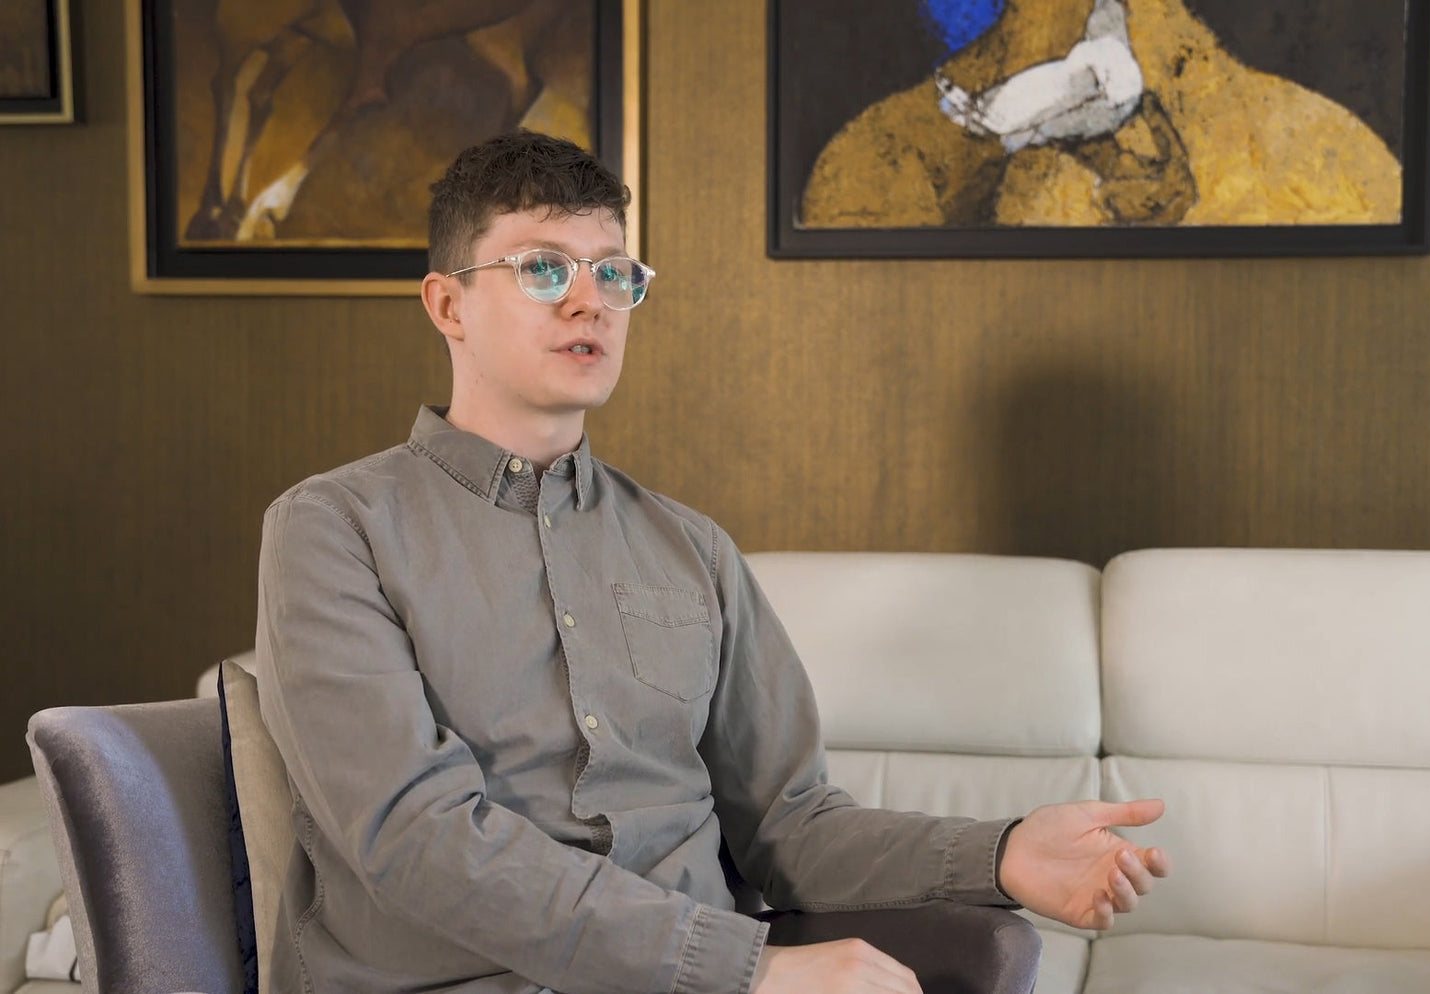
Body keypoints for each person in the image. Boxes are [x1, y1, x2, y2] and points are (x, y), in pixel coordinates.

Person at [255, 130, 1170, 994]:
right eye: (543, 269)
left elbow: (790, 826)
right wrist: (746, 968)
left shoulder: (690, 547)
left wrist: (1001, 853)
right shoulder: (334, 529)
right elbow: (415, 840)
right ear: (447, 303)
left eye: (614, 274)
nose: (590, 301)